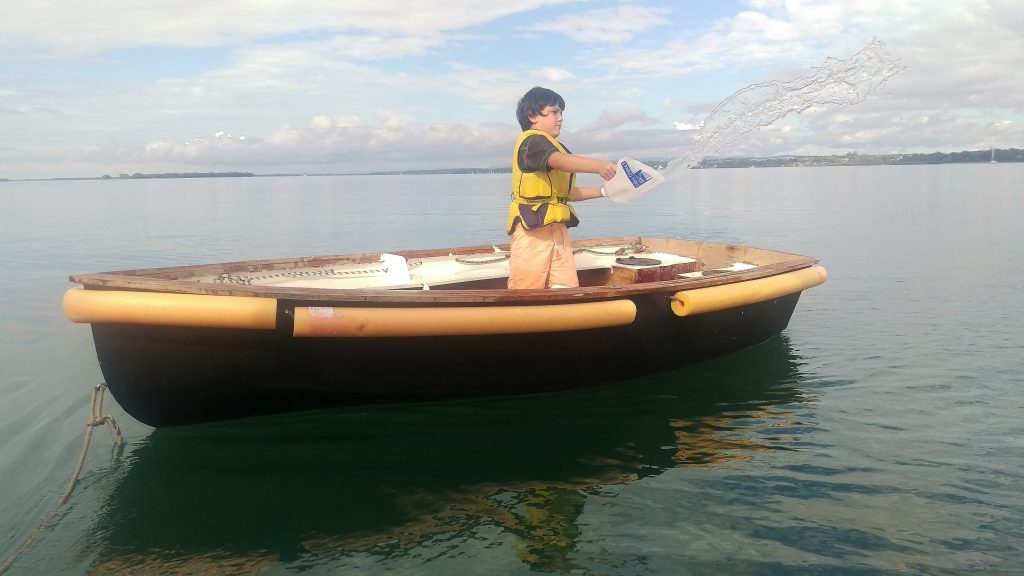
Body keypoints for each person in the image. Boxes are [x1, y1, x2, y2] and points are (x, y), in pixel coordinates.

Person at [507, 86, 617, 289]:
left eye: (561, 113)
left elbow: (567, 194)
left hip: (557, 232)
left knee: (565, 287)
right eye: (554, 112)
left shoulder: (554, 147)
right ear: (532, 115)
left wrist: (606, 191)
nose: (560, 118)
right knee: (526, 289)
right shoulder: (532, 142)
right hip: (533, 232)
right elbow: (560, 161)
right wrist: (599, 166)